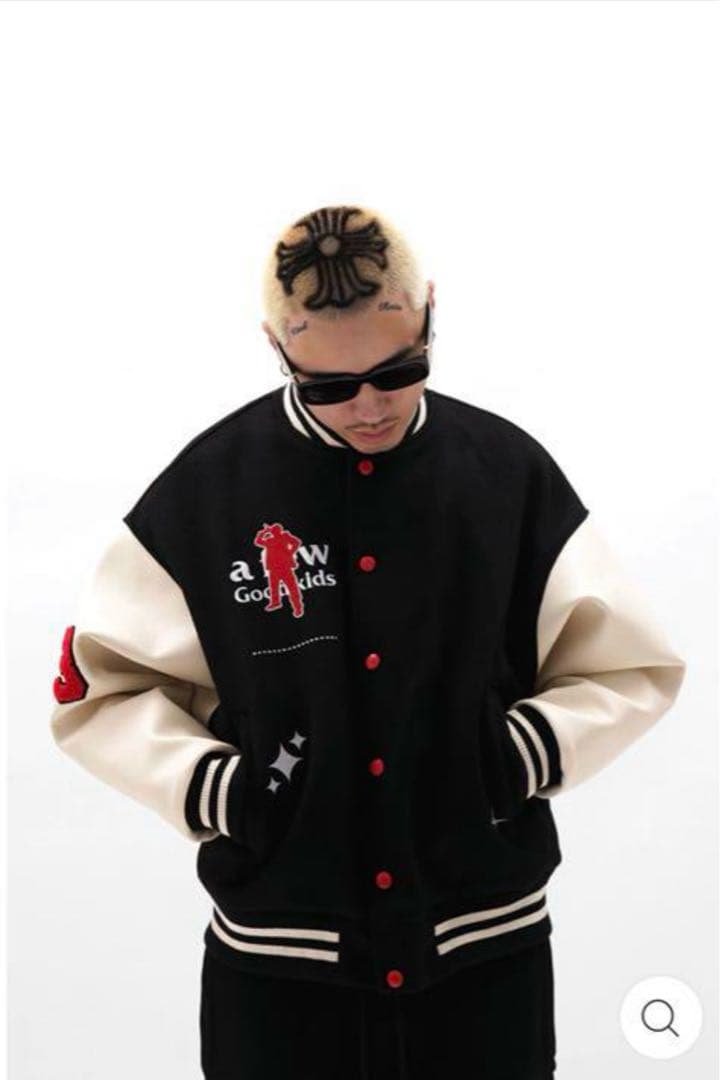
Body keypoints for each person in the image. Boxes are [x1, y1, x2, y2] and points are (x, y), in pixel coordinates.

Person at [50, 203, 687, 1078]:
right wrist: (223, 792)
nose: (370, 406)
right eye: (329, 387)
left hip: (485, 954)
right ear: (277, 349)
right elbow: (102, 689)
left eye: (399, 371)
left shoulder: (506, 475)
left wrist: (514, 756)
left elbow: (628, 665)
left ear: (430, 314)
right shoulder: (206, 493)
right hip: (277, 970)